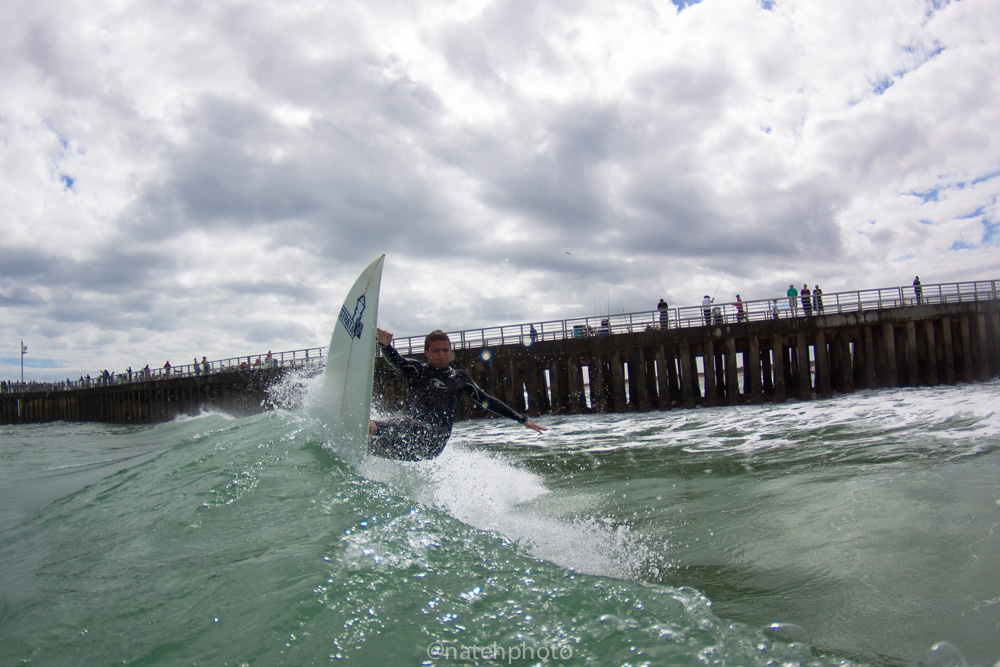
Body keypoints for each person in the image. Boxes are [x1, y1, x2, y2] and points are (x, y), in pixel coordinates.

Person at [369, 328, 547, 461]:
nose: (441, 355)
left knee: (406, 423)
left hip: (434, 442)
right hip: (411, 441)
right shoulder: (418, 371)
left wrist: (521, 419)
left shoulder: (459, 378)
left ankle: (371, 426)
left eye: (445, 350)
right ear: (426, 353)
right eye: (436, 351)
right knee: (371, 448)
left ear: (450, 351)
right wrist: (384, 346)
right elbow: (397, 361)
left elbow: (488, 401)